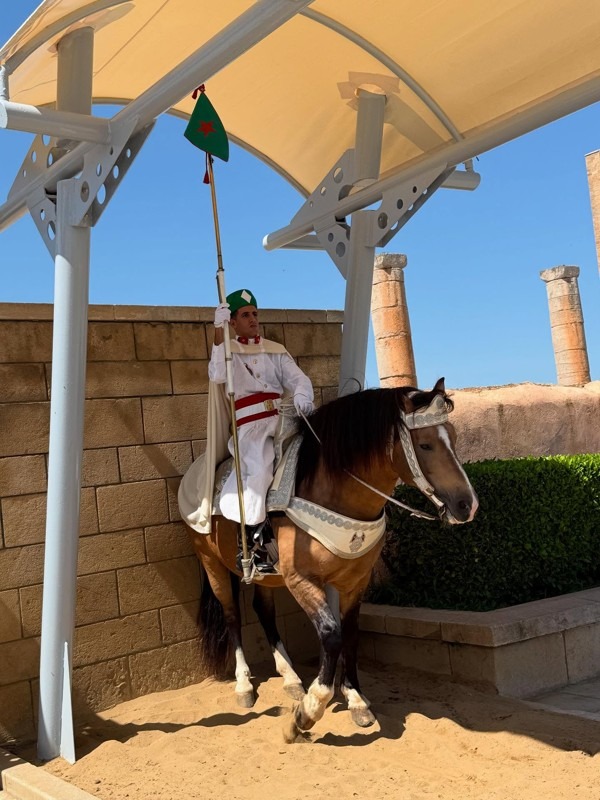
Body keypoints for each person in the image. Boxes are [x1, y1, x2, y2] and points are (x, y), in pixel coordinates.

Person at [209, 288, 314, 552]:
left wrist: (302, 394)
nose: (253, 319)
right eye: (245, 315)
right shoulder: (227, 351)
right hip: (251, 427)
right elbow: (217, 375)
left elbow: (298, 378)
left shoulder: (275, 350)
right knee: (260, 471)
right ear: (233, 322)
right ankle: (253, 539)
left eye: (255, 314)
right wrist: (218, 332)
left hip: (283, 419)